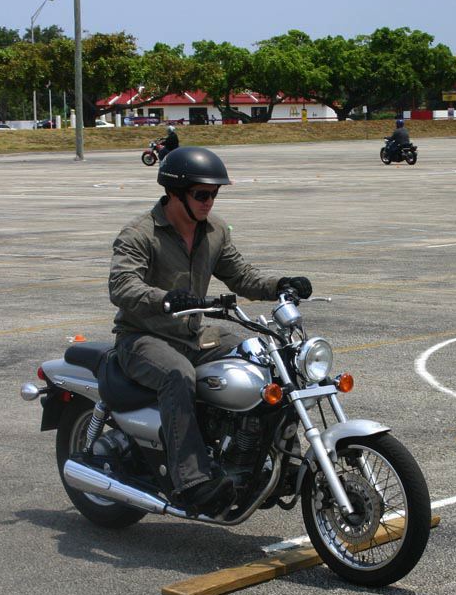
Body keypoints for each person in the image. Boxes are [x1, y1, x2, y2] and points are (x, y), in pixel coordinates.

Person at [108, 147, 312, 515]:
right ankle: (192, 481)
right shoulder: (140, 234)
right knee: (177, 374)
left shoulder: (214, 231)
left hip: (192, 336)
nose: (209, 202)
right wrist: (164, 298)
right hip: (143, 337)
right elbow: (121, 285)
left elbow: (242, 276)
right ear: (175, 193)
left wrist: (281, 284)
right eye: (202, 194)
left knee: (264, 357)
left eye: (214, 194)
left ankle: (280, 459)